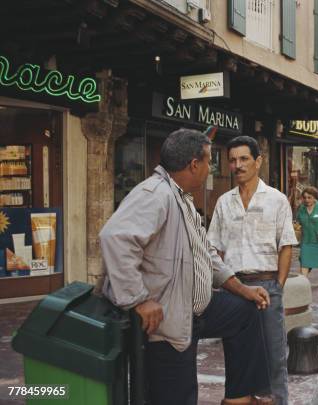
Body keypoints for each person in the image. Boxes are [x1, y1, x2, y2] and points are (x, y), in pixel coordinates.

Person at [100, 128, 274, 405]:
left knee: (245, 313)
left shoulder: (181, 198)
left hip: (197, 308)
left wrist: (242, 289)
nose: (211, 168)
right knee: (178, 396)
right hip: (169, 318)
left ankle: (238, 399)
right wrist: (139, 300)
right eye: (209, 161)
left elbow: (206, 254)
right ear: (194, 164)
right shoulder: (155, 194)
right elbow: (114, 238)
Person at [207, 136, 297, 405]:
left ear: (258, 161)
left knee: (274, 355)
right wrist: (221, 285)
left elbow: (287, 246)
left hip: (267, 286)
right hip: (234, 288)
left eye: (244, 159)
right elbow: (214, 249)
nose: (238, 165)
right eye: (232, 160)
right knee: (238, 355)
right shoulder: (224, 202)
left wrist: (278, 286)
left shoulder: (277, 200)